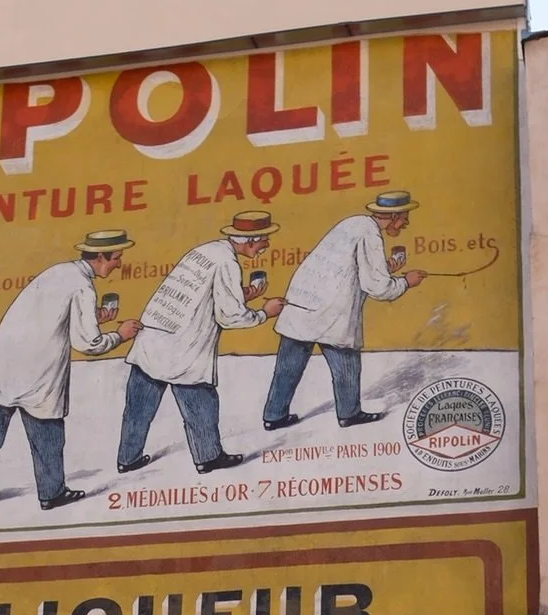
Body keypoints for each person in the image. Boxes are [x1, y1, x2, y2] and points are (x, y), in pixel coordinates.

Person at [0, 229, 138, 514]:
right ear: (101, 257)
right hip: (38, 376)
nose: (119, 264)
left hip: (1, 368)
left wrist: (94, 318)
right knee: (48, 440)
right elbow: (87, 343)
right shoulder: (83, 286)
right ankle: (52, 494)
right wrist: (120, 335)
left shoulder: (58, 272)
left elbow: (51, 317)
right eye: (116, 258)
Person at [118, 210, 285, 476]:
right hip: (183, 348)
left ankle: (127, 458)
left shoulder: (206, 250)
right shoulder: (228, 263)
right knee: (201, 405)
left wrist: (244, 294)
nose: (267, 245)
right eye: (264, 240)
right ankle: (208, 457)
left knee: (138, 407)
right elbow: (229, 316)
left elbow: (203, 294)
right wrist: (266, 312)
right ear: (251, 240)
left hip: (152, 340)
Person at [262, 190, 428, 431]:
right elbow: (377, 287)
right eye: (404, 217)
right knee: (346, 361)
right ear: (392, 216)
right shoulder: (370, 234)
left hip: (301, 302)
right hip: (330, 312)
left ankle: (274, 416)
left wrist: (386, 266)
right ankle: (349, 413)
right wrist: (406, 282)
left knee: (289, 364)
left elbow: (350, 266)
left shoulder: (353, 223)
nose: (406, 223)